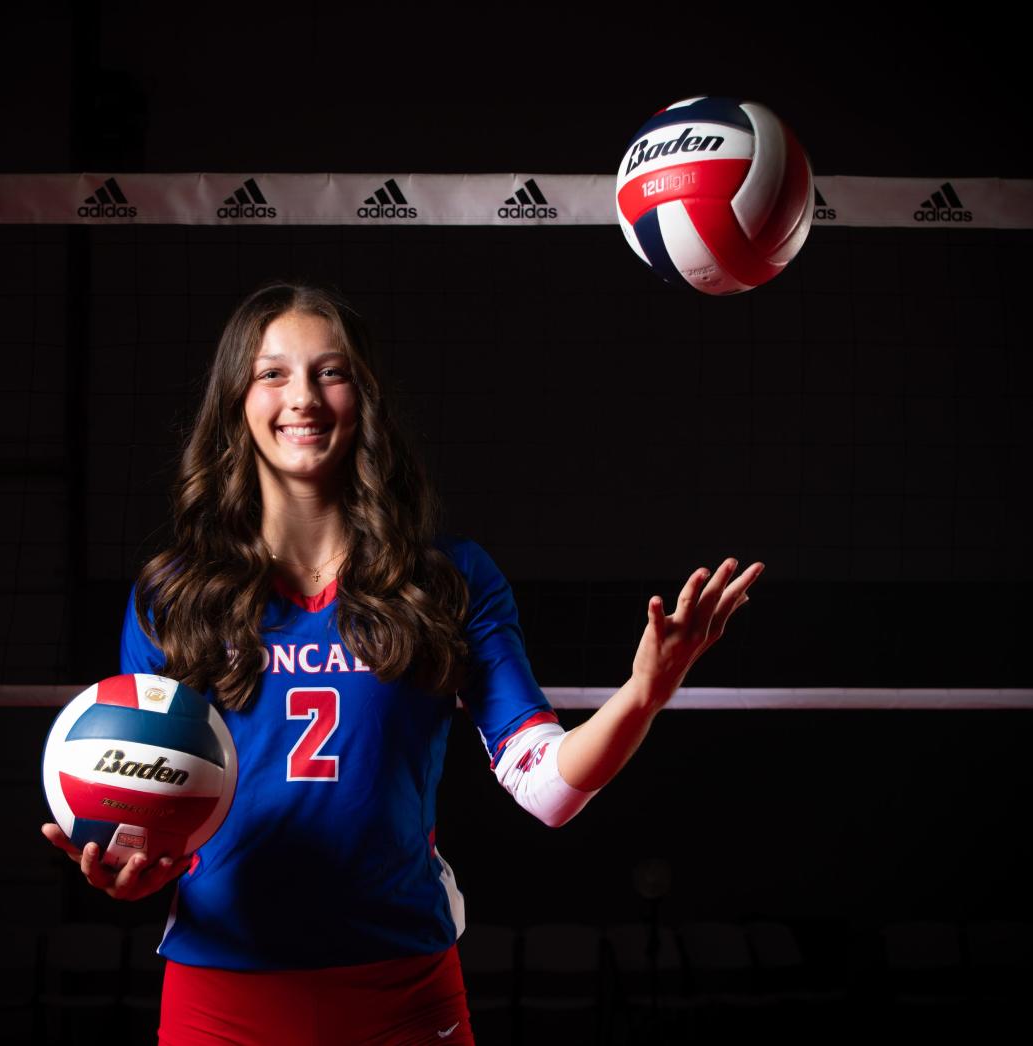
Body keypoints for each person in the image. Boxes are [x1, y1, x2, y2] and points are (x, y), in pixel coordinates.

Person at [42, 280, 762, 1045]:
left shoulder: (446, 579)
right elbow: (150, 805)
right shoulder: (174, 592)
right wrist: (136, 861)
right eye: (272, 373)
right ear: (234, 403)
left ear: (366, 397)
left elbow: (549, 790)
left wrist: (645, 694)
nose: (304, 398)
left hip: (401, 988)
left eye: (331, 370)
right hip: (223, 988)